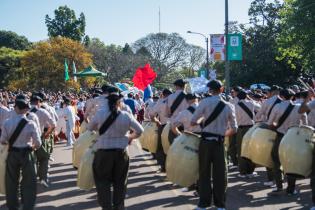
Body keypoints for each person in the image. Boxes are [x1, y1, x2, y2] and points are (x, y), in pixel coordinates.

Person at [87, 93, 143, 210]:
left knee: (102, 182)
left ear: (107, 103)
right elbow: (139, 130)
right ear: (120, 103)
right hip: (121, 153)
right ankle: (119, 206)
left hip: (103, 152)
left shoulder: (100, 114)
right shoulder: (126, 115)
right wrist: (129, 137)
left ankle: (106, 207)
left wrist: (101, 130)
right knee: (120, 182)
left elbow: (90, 128)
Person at [191, 80, 238, 210]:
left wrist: (203, 120)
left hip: (205, 142)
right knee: (221, 174)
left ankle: (203, 203)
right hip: (219, 143)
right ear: (221, 89)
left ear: (209, 90)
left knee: (204, 172)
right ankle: (220, 204)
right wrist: (223, 135)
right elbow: (234, 129)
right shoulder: (229, 106)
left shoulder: (204, 102)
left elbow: (193, 121)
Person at [0, 94, 41, 210]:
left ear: (16, 108)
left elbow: (2, 141)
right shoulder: (31, 123)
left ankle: (13, 205)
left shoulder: (7, 123)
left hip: (12, 153)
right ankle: (28, 205)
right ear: (26, 109)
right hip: (27, 153)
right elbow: (38, 143)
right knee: (29, 181)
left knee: (11, 181)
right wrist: (31, 147)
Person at [268, 88, 307, 196]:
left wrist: (275, 126)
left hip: (280, 136)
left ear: (281, 96)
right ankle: (291, 189)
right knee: (291, 163)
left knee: (276, 160)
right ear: (292, 96)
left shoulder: (277, 106)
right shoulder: (299, 107)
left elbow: (270, 123)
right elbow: (305, 123)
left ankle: (279, 185)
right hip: (294, 138)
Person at [30, 94, 56, 187]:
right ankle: (42, 178)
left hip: (26, 140)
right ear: (38, 102)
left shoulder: (24, 111)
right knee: (44, 158)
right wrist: (47, 134)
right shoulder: (42, 111)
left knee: (30, 160)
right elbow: (53, 124)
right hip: (39, 137)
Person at [234, 90, 260, 178]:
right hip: (251, 128)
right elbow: (259, 108)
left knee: (241, 150)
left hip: (240, 129)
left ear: (238, 97)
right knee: (251, 149)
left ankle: (242, 171)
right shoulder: (251, 103)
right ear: (246, 96)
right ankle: (250, 171)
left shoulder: (235, 105)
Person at [149, 89, 172, 173]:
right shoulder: (177, 100)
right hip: (177, 126)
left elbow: (151, 115)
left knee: (161, 147)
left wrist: (157, 121)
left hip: (164, 126)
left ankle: (164, 166)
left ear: (163, 94)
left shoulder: (160, 102)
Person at [166, 79, 189, 144]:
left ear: (176, 86)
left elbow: (167, 113)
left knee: (172, 146)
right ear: (184, 86)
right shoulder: (189, 97)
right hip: (185, 126)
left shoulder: (170, 97)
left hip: (173, 124)